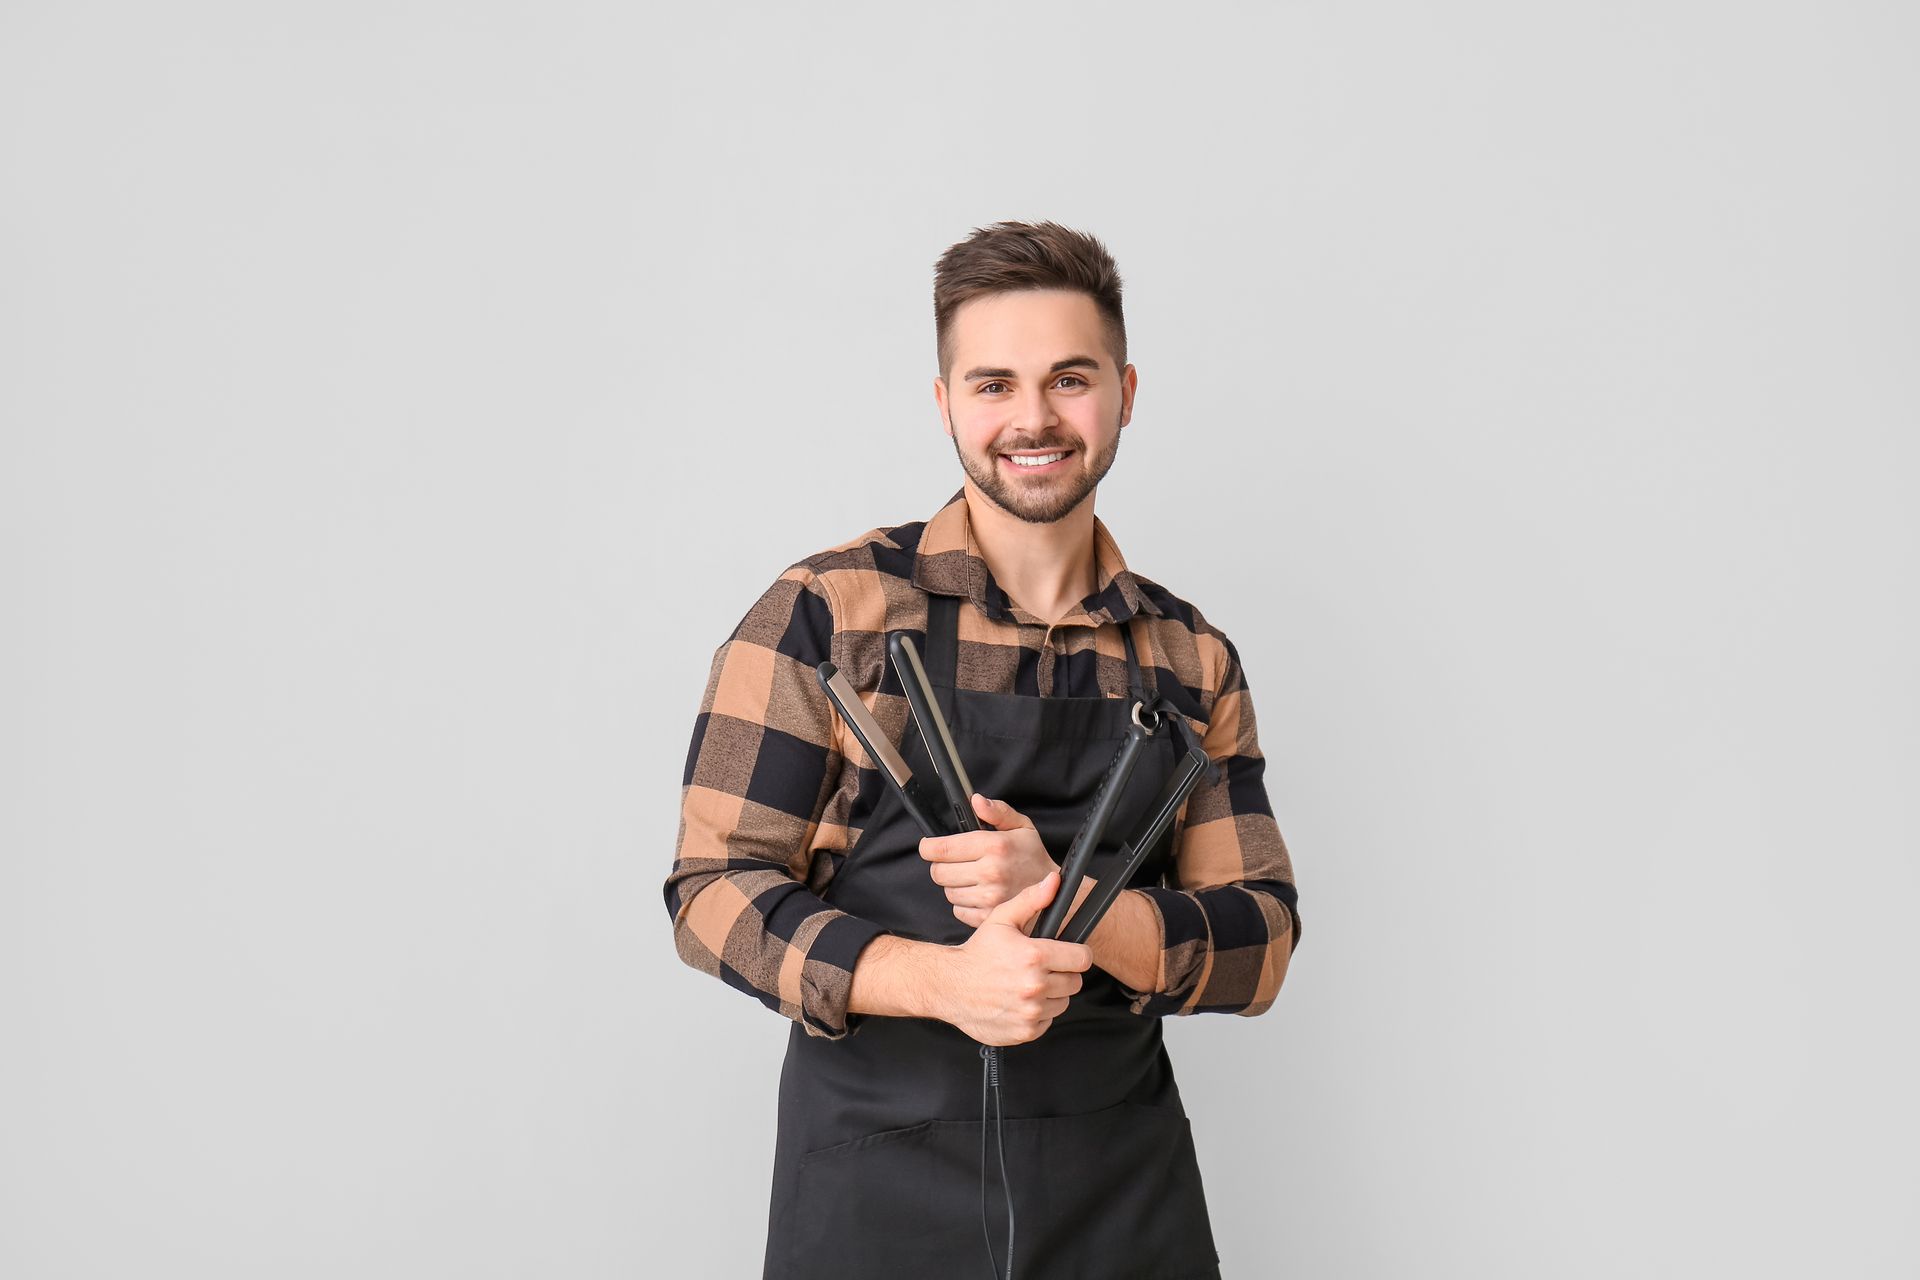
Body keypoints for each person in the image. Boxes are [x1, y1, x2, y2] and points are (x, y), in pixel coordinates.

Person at [663, 220, 1301, 1280]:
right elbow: (711, 892)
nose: (1034, 418)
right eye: (994, 383)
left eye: (1070, 378)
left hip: (1123, 1203)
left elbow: (1261, 940)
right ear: (946, 399)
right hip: (873, 1198)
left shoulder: (1188, 658)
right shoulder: (831, 616)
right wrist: (941, 981)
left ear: (1126, 392)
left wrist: (1076, 910)